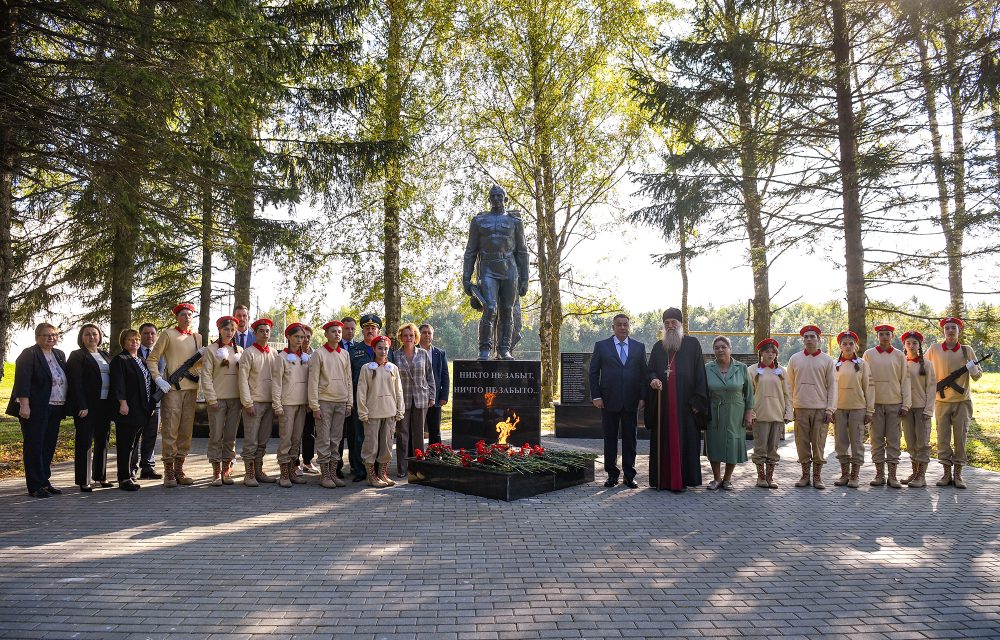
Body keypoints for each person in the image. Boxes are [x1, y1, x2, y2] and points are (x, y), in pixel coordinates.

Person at [644, 308, 710, 492]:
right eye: (667, 323)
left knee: (686, 440)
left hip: (685, 406)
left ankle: (683, 479)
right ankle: (663, 480)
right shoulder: (659, 346)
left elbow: (700, 374)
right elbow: (649, 370)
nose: (670, 326)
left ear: (681, 324)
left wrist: (698, 402)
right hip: (663, 405)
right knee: (663, 440)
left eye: (674, 322)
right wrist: (653, 379)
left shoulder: (692, 344)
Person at [461, 184, 530, 360]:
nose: (497, 199)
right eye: (493, 196)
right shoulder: (479, 221)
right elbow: (471, 250)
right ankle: (484, 348)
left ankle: (504, 349)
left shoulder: (515, 221)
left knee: (507, 310)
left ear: (505, 199)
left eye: (500, 196)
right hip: (488, 267)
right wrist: (466, 277)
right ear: (489, 199)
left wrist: (524, 279)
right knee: (490, 308)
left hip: (509, 268)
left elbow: (522, 251)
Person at [7, 323, 68, 498]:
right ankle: (34, 485)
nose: (51, 338)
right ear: (37, 337)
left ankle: (44, 481)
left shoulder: (59, 354)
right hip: (35, 408)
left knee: (48, 446)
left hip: (56, 406)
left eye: (54, 335)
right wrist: (24, 405)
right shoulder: (29, 354)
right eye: (47, 335)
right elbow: (22, 382)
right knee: (35, 446)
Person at [146, 302, 203, 487]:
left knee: (186, 431)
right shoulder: (168, 334)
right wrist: (157, 378)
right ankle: (169, 471)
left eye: (189, 315)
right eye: (183, 314)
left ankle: (180, 468)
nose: (187, 317)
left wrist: (205, 357)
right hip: (172, 390)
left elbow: (199, 366)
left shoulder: (197, 337)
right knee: (170, 429)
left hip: (191, 389)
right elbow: (152, 358)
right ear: (177, 317)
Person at [588, 313, 647, 489]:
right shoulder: (602, 346)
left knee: (631, 439)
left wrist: (643, 397)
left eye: (625, 324)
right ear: (613, 327)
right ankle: (612, 475)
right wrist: (596, 396)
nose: (622, 327)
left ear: (629, 326)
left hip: (631, 401)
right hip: (608, 401)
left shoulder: (639, 347)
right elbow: (593, 372)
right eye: (619, 324)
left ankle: (629, 475)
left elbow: (644, 374)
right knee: (610, 439)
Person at [924, 316, 983, 489]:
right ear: (943, 330)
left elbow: (977, 376)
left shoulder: (967, 350)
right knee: (942, 438)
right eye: (947, 328)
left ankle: (958, 475)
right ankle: (946, 473)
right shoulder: (934, 349)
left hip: (962, 402)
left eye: (953, 328)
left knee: (960, 438)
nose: (950, 331)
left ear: (959, 331)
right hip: (941, 402)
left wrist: (973, 370)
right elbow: (923, 367)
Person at [787, 324, 837, 489]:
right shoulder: (794, 359)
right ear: (803, 340)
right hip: (800, 407)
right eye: (806, 337)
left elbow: (832, 386)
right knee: (802, 443)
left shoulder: (827, 360)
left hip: (820, 408)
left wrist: (830, 409)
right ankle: (805, 475)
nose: (809, 339)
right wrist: (790, 408)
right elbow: (789, 386)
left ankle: (817, 477)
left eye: (812, 336)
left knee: (818, 442)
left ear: (818, 339)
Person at [348, 314, 396, 482]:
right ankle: (361, 471)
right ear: (363, 330)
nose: (370, 330)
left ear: (378, 330)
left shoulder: (388, 352)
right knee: (360, 437)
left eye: (373, 328)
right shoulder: (354, 351)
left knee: (382, 439)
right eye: (367, 328)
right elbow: (350, 378)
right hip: (361, 401)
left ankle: (378, 472)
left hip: (383, 403)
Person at [66, 323, 114, 491]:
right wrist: (82, 405)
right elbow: (75, 383)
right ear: (82, 337)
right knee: (85, 442)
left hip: (105, 405)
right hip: (87, 406)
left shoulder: (104, 354)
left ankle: (100, 476)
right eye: (87, 334)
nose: (92, 337)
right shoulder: (77, 355)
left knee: (103, 440)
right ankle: (83, 480)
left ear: (100, 336)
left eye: (95, 334)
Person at [862, 323, 910, 488]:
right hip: (875, 404)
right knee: (876, 440)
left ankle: (893, 476)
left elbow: (905, 380)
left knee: (894, 439)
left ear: (892, 336)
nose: (884, 337)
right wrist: (866, 404)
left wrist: (906, 404)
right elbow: (864, 380)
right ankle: (879, 474)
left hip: (894, 404)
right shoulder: (868, 354)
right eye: (881, 334)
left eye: (887, 334)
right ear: (877, 336)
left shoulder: (899, 355)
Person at [704, 335, 754, 490]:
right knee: (714, 443)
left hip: (736, 411)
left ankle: (727, 479)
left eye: (723, 347)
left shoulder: (742, 368)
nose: (720, 350)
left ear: (730, 349)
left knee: (733, 443)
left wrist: (749, 413)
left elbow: (749, 393)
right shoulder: (707, 368)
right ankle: (716, 478)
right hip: (714, 411)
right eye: (717, 347)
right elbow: (702, 391)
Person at [308, 320, 352, 488]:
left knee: (336, 439)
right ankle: (324, 475)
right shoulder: (319, 354)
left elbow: (348, 380)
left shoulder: (344, 354)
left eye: (339, 331)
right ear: (326, 334)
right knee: (324, 439)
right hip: (324, 401)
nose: (337, 334)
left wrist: (349, 403)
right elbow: (313, 381)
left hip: (341, 401)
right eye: (333, 331)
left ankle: (333, 473)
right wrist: (315, 405)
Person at [356, 335, 404, 488]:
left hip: (389, 412)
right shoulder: (367, 368)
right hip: (373, 413)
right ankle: (371, 476)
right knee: (371, 445)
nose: (383, 351)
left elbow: (399, 391)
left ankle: (383, 473)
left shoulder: (393, 368)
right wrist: (363, 411)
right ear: (374, 349)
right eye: (380, 348)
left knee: (387, 444)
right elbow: (361, 391)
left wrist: (399, 409)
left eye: (386, 349)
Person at [109, 328, 154, 491]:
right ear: (123, 342)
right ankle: (124, 478)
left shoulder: (140, 359)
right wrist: (122, 402)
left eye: (136, 339)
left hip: (141, 408)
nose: (134, 342)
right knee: (125, 444)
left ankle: (129, 474)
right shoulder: (120, 360)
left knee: (134, 444)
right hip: (127, 408)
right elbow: (118, 383)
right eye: (130, 340)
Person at [201, 316, 244, 486]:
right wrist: (211, 399)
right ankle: (216, 469)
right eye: (226, 329)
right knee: (216, 434)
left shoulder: (239, 350)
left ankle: (227, 467)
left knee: (230, 435)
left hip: (235, 399)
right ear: (219, 330)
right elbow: (206, 376)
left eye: (232, 330)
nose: (229, 332)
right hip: (218, 399)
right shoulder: (211, 350)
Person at [832, 331, 875, 489]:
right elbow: (830, 388)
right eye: (845, 344)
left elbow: (869, 388)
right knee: (841, 442)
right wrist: (831, 409)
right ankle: (844, 474)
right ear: (840, 346)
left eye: (851, 344)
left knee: (857, 442)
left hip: (858, 408)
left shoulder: (863, 364)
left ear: (855, 346)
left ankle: (855, 475)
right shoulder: (835, 365)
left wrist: (869, 410)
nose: (848, 346)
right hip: (839, 409)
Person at [394, 323, 436, 478]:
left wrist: (432, 396)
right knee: (402, 434)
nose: (408, 338)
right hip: (402, 399)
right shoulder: (395, 355)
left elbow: (430, 377)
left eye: (411, 335)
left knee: (418, 434)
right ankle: (402, 469)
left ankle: (419, 467)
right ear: (401, 338)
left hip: (421, 398)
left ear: (415, 337)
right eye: (405, 335)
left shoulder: (423, 354)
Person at [239, 318, 277, 486]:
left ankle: (259, 470)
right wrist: (247, 403)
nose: (265, 333)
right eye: (261, 331)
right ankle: (249, 474)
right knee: (251, 440)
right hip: (254, 403)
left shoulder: (274, 353)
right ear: (254, 334)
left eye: (267, 330)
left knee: (263, 439)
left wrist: (277, 402)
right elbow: (242, 380)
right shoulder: (249, 353)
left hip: (269, 402)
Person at [272, 322, 311, 488]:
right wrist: (277, 404)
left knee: (296, 440)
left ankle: (293, 470)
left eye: (302, 337)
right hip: (287, 404)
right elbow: (276, 383)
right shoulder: (281, 358)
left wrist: (309, 401)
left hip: (301, 403)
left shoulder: (305, 358)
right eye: (296, 337)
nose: (300, 340)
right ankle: (284, 474)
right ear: (288, 337)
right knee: (286, 439)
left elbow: (310, 381)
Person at [750, 338, 792, 489]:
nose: (770, 355)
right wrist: (751, 414)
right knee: (760, 447)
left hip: (777, 414)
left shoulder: (781, 371)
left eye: (773, 352)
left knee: (773, 448)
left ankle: (770, 477)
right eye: (767, 352)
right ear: (761, 353)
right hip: (760, 414)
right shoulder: (752, 370)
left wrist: (788, 413)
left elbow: (788, 393)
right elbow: (749, 394)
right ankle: (760, 477)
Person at [901, 330, 936, 488]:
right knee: (910, 441)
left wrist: (928, 410)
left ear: (919, 345)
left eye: (914, 343)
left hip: (921, 408)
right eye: (908, 343)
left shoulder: (927, 364)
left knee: (922, 442)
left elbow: (931, 388)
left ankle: (921, 475)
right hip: (906, 409)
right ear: (904, 345)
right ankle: (914, 472)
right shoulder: (902, 363)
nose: (911, 345)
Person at [131, 323, 163, 480]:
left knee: (151, 435)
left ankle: (148, 467)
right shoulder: (133, 353)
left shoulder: (162, 354)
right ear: (140, 335)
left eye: (152, 333)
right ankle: (131, 468)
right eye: (145, 333)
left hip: (155, 401)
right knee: (134, 437)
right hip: (136, 403)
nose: (149, 336)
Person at [334, 315, 357, 478]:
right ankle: (336, 467)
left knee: (354, 434)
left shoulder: (358, 348)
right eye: (346, 328)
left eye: (352, 329)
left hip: (355, 397)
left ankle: (355, 466)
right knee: (338, 435)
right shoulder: (334, 347)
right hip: (338, 397)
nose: (349, 331)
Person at [419, 323, 449, 446]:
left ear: (432, 336)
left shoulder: (440, 353)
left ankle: (435, 456)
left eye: (429, 333)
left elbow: (445, 375)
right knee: (417, 429)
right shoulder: (412, 351)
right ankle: (417, 456)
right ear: (419, 334)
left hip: (435, 397)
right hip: (418, 397)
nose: (427, 335)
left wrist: (444, 396)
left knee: (435, 430)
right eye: (424, 332)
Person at [296, 324, 318, 476]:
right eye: (302, 337)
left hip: (311, 399)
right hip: (295, 398)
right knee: (295, 433)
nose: (305, 340)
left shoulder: (316, 355)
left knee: (309, 432)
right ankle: (294, 463)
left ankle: (308, 461)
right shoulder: (291, 354)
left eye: (308, 337)